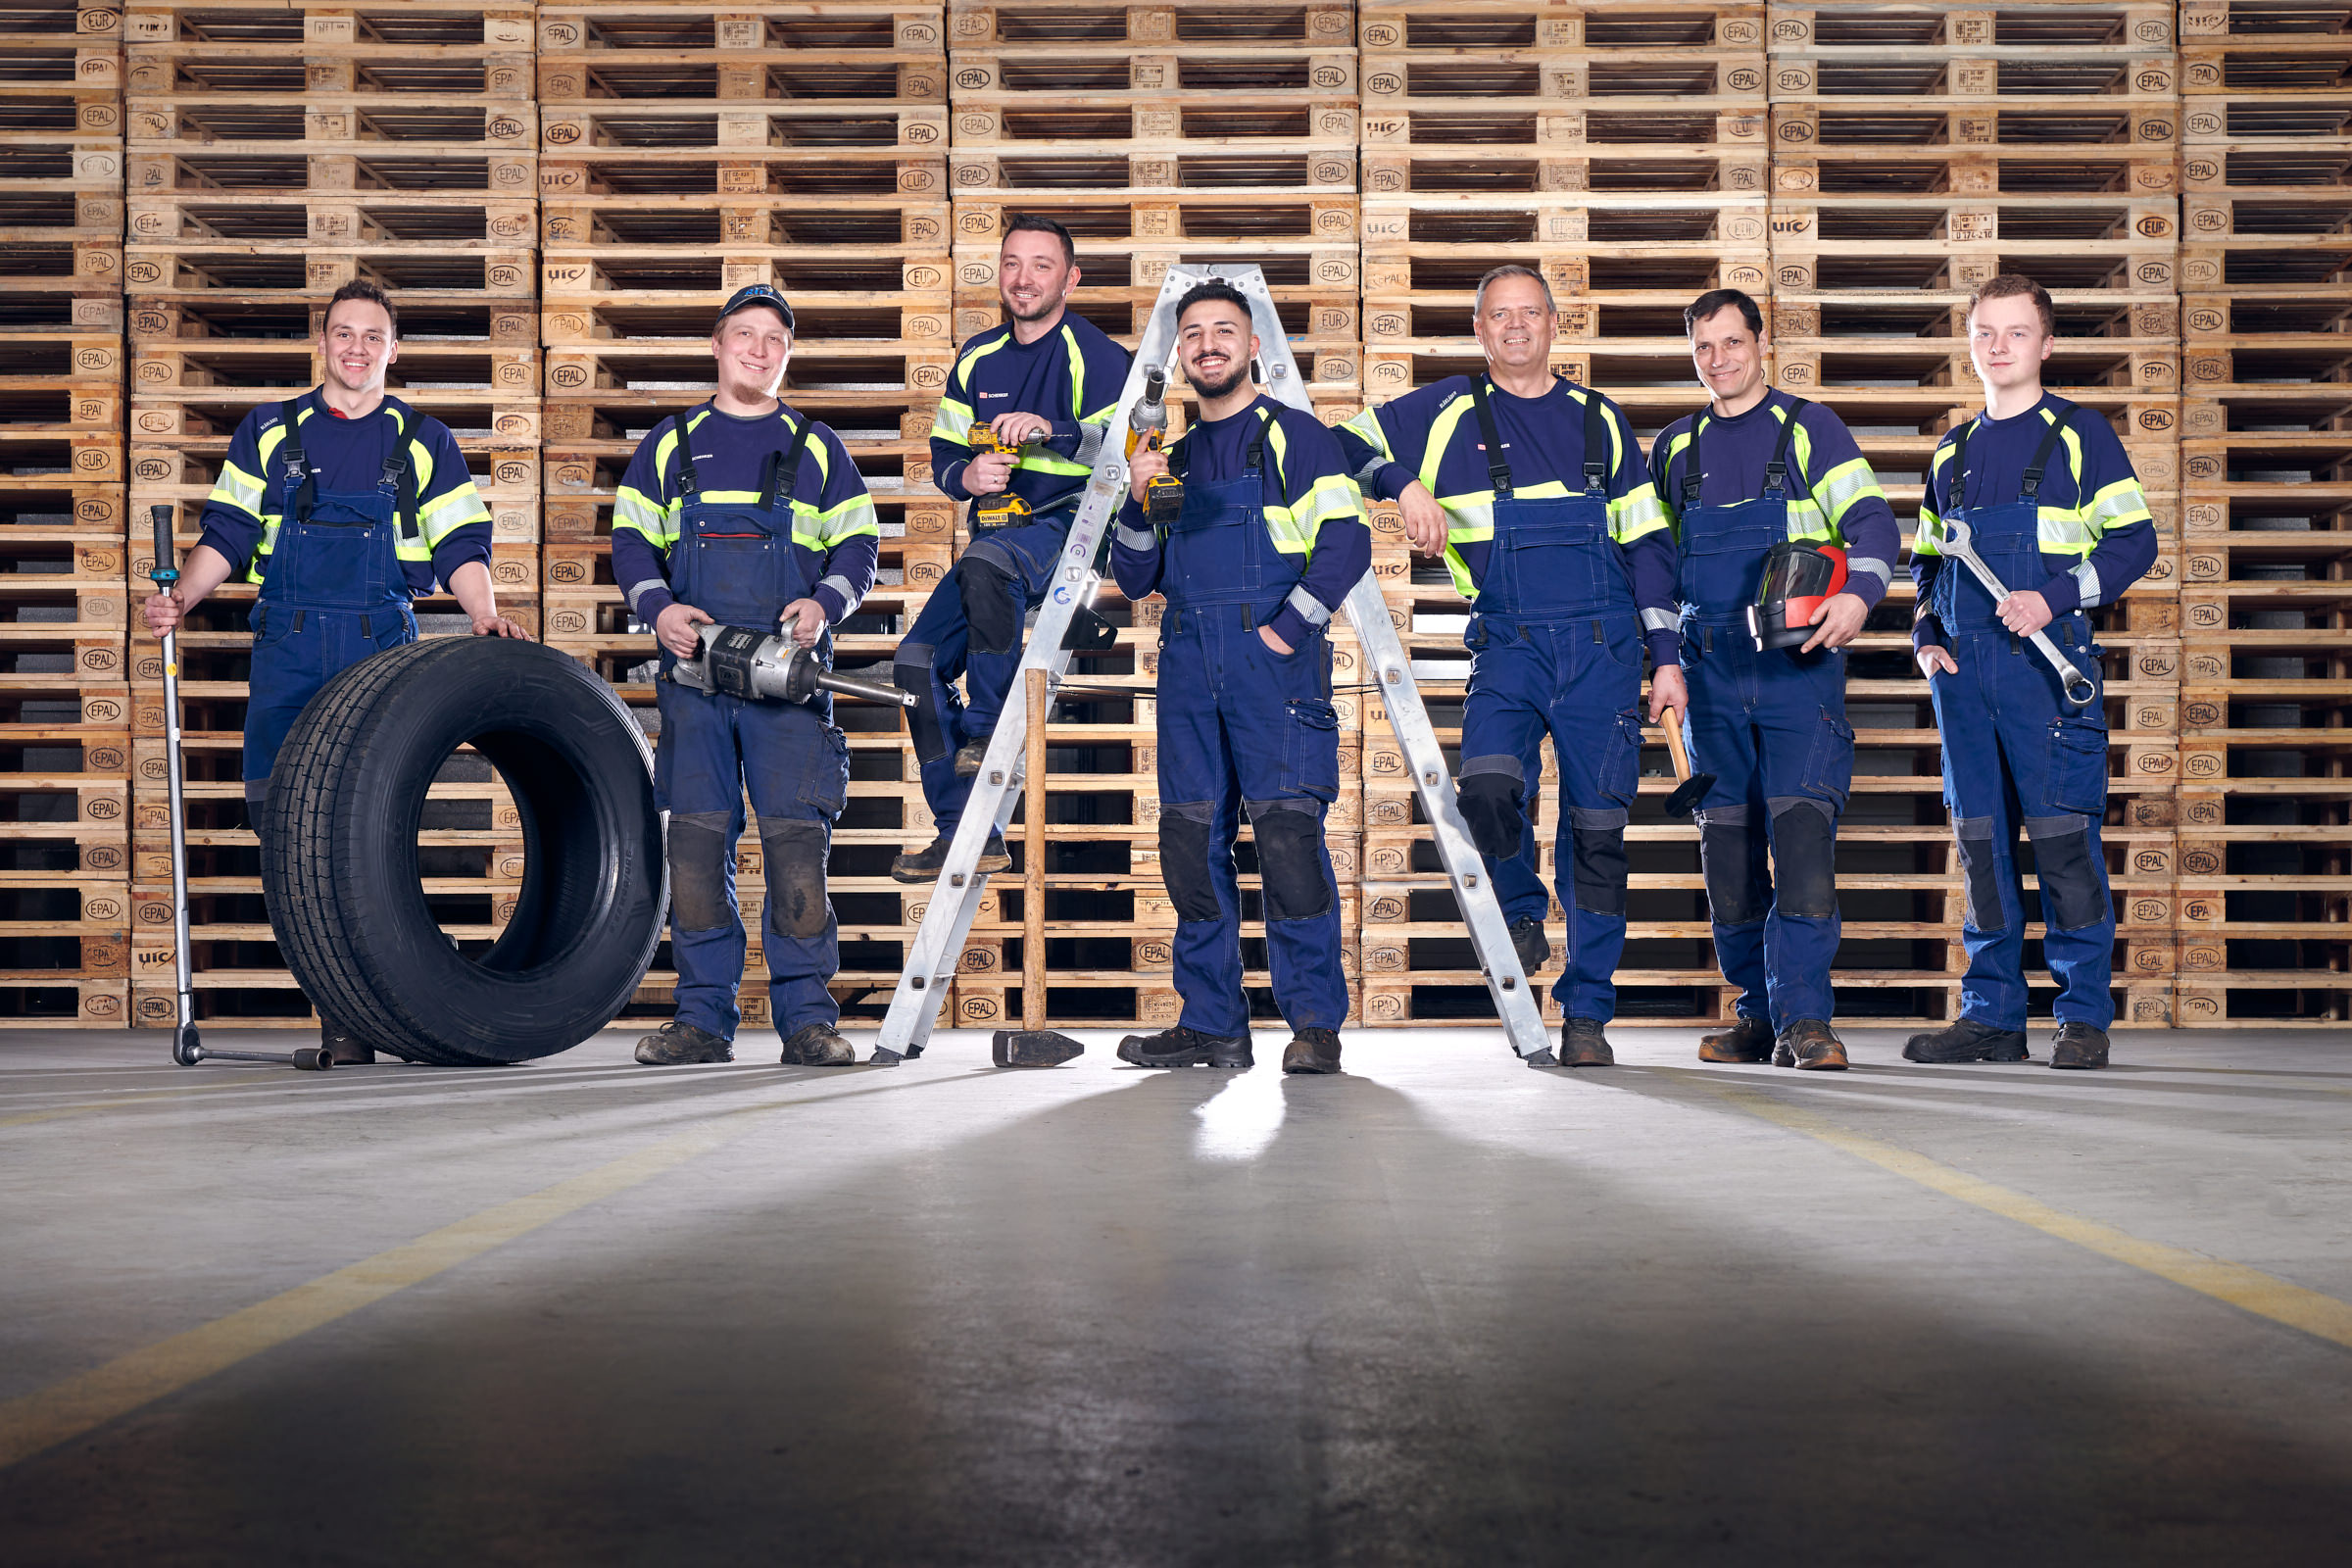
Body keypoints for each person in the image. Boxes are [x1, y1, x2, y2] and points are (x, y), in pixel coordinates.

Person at [140, 279, 525, 1065]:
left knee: (367, 832)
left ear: (394, 348)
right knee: (280, 826)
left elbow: (459, 543)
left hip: (381, 647)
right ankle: (341, 1017)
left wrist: (483, 611)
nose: (356, 348)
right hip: (288, 645)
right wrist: (182, 593)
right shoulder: (270, 433)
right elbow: (231, 531)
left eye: (372, 336)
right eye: (342, 334)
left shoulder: (421, 439)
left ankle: (396, 1004)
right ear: (322, 344)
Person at [1339, 266, 1682, 1068]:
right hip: (1509, 642)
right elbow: (1339, 444)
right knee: (1489, 789)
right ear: (1480, 329)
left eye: (1531, 313)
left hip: (1603, 649)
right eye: (1500, 316)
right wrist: (1401, 481)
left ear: (1555, 326)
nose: (1516, 327)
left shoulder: (1600, 421)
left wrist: (1666, 657)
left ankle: (1588, 1013)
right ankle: (1521, 910)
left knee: (1598, 835)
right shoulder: (1446, 409)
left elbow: (1649, 549)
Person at [611, 284, 880, 1068]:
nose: (758, 351)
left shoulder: (816, 447)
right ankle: (702, 1021)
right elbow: (630, 540)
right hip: (695, 683)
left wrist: (825, 603)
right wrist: (657, 607)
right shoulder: (671, 444)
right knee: (696, 848)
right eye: (744, 336)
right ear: (719, 345)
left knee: (797, 849)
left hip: (786, 680)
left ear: (786, 355)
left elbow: (859, 545)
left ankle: (807, 1021)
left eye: (773, 340)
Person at [1110, 280, 1368, 1075]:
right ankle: (1214, 1024)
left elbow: (1346, 544)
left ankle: (1315, 1025)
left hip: (1271, 672)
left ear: (1254, 346)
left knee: (1288, 844)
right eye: (1194, 334)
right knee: (1191, 846)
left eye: (1225, 331)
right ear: (1180, 354)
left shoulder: (1298, 437)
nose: (1209, 345)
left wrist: (1285, 632)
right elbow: (1134, 576)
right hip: (1189, 665)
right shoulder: (1173, 459)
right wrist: (1137, 497)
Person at [1908, 274, 2157, 1070]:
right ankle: (1992, 1018)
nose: (1998, 347)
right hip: (1966, 682)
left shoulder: (2080, 434)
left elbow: (2134, 545)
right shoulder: (1950, 451)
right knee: (1980, 848)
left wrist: (2051, 600)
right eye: (1985, 332)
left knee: (2062, 845)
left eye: (2016, 333)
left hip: (2047, 675)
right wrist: (1925, 636)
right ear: (1971, 342)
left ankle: (2082, 1019)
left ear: (2045, 345)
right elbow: (1925, 563)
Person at [1649, 288, 1901, 1071]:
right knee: (1728, 862)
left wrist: (1859, 595)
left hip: (1796, 677)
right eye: (1704, 348)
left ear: (1761, 344)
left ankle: (1807, 1021)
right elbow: (1652, 561)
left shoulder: (1807, 428)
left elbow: (1874, 524)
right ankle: (1757, 1016)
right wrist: (1661, 658)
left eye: (1731, 343)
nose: (1718, 360)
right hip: (1708, 680)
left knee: (1800, 853)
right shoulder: (1675, 449)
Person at [891, 215, 1131, 883]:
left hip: (1066, 529)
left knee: (989, 566)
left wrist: (1050, 430)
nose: (1023, 280)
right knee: (913, 667)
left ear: (1070, 279)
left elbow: (1129, 442)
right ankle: (967, 832)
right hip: (992, 539)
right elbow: (943, 449)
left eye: (1041, 265)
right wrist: (964, 477)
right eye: (1012, 264)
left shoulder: (1097, 354)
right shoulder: (976, 358)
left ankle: (990, 729)